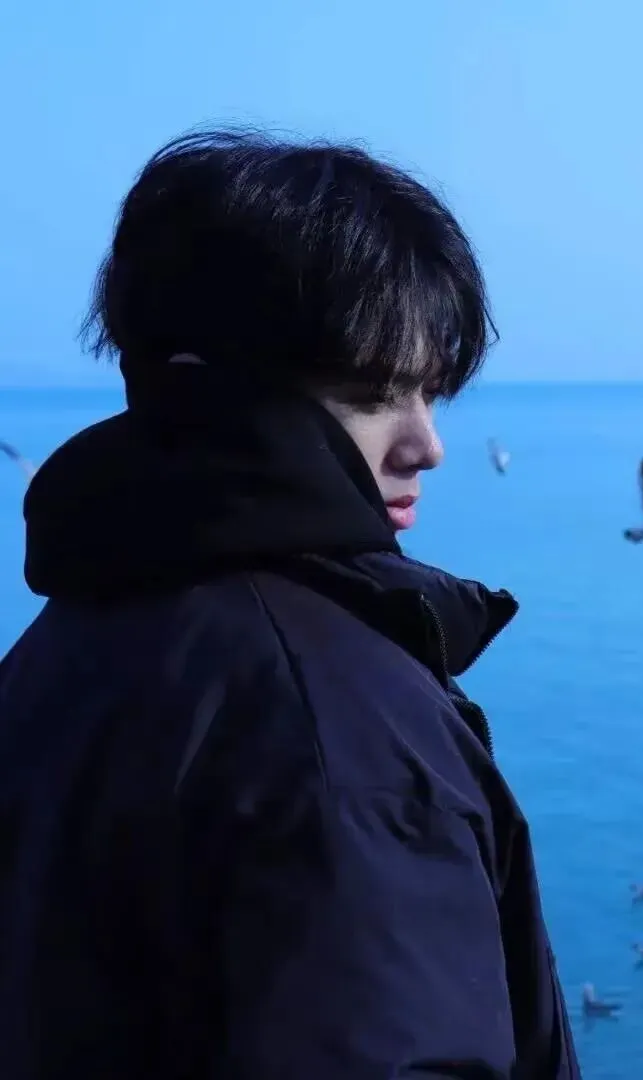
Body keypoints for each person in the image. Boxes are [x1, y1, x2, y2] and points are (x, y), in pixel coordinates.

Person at [0, 128, 580, 1079]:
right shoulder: (336, 726)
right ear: (211, 388)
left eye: (431, 392)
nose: (428, 445)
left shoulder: (55, 656)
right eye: (373, 393)